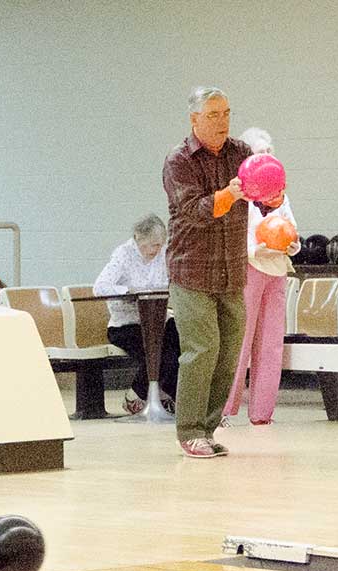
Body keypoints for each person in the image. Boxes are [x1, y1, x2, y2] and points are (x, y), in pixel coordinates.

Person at [161, 86, 254, 459]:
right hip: (192, 272)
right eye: (213, 115)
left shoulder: (241, 153)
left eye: (227, 113)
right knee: (201, 350)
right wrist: (229, 195)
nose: (222, 122)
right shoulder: (178, 160)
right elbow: (195, 210)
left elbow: (261, 194)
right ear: (194, 119)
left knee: (229, 352)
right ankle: (189, 431)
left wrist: (274, 195)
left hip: (232, 271)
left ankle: (209, 428)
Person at [224, 128, 299, 426]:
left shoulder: (280, 193)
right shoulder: (237, 193)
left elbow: (290, 227)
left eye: (269, 150)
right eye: (260, 151)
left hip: (277, 270)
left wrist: (294, 244)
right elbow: (234, 234)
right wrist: (256, 248)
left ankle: (262, 413)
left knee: (271, 343)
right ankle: (225, 409)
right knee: (240, 341)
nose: (266, 156)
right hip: (249, 269)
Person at [92, 214, 181, 416]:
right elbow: (100, 287)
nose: (156, 250)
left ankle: (167, 396)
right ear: (137, 238)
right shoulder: (123, 255)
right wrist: (127, 291)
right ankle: (139, 396)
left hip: (158, 319)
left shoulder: (163, 254)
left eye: (159, 245)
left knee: (180, 338)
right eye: (151, 245)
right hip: (126, 324)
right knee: (161, 356)